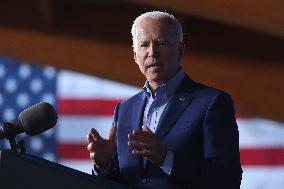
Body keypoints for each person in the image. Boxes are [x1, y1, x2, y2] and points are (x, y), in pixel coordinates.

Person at [87, 11, 242, 189]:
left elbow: (227, 180)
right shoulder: (124, 109)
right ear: (135, 56)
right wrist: (104, 165)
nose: (153, 52)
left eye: (161, 43)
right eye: (144, 45)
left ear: (180, 50)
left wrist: (166, 159)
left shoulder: (212, 103)